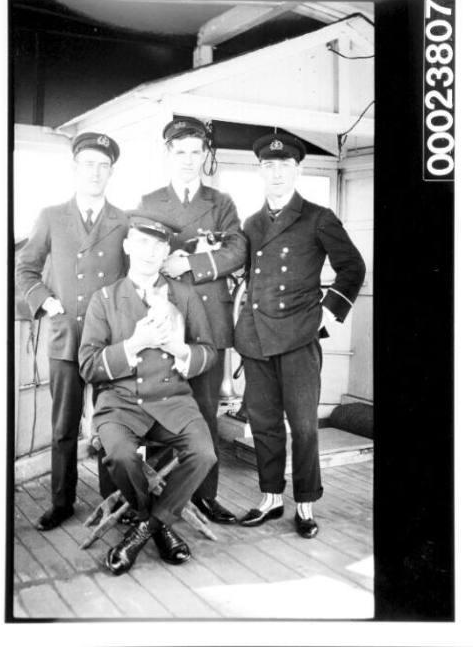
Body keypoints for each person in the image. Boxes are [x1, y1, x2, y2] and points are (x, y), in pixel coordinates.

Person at [234, 132, 366, 538]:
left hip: (298, 339)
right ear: (260, 171)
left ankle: (305, 505)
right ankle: (271, 497)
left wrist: (326, 317)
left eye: (284, 166)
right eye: (268, 166)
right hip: (255, 340)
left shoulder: (318, 216)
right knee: (264, 424)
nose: (276, 173)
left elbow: (353, 268)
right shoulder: (251, 223)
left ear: (298, 169)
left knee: (305, 426)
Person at [79, 214, 218, 575]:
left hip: (173, 400)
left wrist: (181, 350)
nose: (149, 252)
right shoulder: (104, 299)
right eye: (141, 242)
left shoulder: (184, 295)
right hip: (121, 404)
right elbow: (88, 365)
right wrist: (134, 344)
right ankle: (156, 522)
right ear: (127, 246)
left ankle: (142, 530)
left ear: (166, 251)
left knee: (203, 453)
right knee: (122, 456)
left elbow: (209, 350)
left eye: (157, 246)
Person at [15, 132, 129, 531]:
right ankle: (61, 502)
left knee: (111, 425)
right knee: (63, 427)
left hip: (108, 345)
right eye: (88, 165)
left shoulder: (124, 221)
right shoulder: (51, 216)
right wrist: (45, 301)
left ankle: (112, 502)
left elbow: (134, 280)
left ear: (111, 171)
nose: (95, 172)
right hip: (66, 339)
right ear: (75, 169)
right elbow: (25, 268)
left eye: (103, 166)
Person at [138, 116, 247, 525]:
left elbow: (237, 250)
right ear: (168, 154)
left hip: (209, 322)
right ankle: (161, 498)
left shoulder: (221, 203)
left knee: (204, 411)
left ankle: (205, 495)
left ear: (205, 156)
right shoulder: (150, 201)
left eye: (195, 152)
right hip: (164, 317)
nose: (188, 160)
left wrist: (192, 260)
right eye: (180, 152)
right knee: (161, 407)